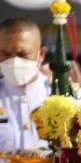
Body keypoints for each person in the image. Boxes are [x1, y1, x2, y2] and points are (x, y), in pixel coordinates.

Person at [0, 18, 49, 155]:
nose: (14, 61)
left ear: (41, 55)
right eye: (5, 54)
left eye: (22, 54)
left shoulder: (60, 93)